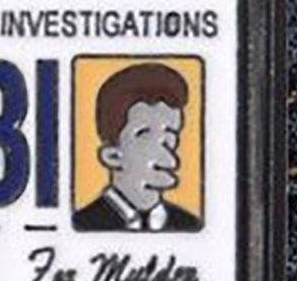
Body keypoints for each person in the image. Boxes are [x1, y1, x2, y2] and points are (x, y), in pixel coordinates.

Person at [71, 62, 202, 232]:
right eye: (144, 134)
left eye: (170, 134)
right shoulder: (82, 224)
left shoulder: (189, 225)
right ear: (112, 156)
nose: (163, 146)